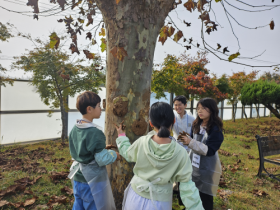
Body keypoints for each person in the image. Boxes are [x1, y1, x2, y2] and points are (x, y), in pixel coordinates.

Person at [115, 102, 204, 210]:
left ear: (151, 123)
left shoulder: (142, 142)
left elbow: (127, 154)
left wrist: (121, 137)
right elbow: (187, 187)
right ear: (173, 121)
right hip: (160, 202)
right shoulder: (181, 152)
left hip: (135, 197)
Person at [68, 91, 120, 210]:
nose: (101, 109)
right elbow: (101, 159)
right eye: (98, 106)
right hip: (91, 180)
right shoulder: (96, 133)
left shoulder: (75, 128)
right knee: (94, 205)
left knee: (78, 204)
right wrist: (114, 154)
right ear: (89, 109)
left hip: (77, 176)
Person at [179, 98, 224, 210]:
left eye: (203, 108)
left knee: (205, 194)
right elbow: (192, 140)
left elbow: (209, 150)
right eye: (198, 108)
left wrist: (190, 142)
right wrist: (186, 139)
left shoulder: (215, 129)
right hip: (194, 163)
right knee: (192, 188)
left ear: (212, 110)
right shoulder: (196, 124)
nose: (200, 111)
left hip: (207, 166)